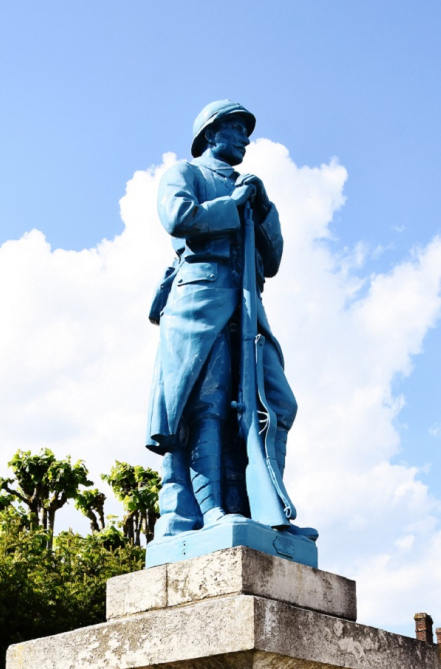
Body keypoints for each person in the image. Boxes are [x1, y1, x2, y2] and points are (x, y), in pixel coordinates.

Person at [146, 99, 300, 539]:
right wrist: (233, 205)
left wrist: (263, 206)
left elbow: (272, 260)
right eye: (235, 129)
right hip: (200, 299)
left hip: (248, 306)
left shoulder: (252, 187)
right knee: (207, 404)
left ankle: (268, 509)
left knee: (277, 403)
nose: (245, 139)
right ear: (211, 133)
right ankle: (210, 510)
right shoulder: (186, 173)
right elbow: (179, 217)